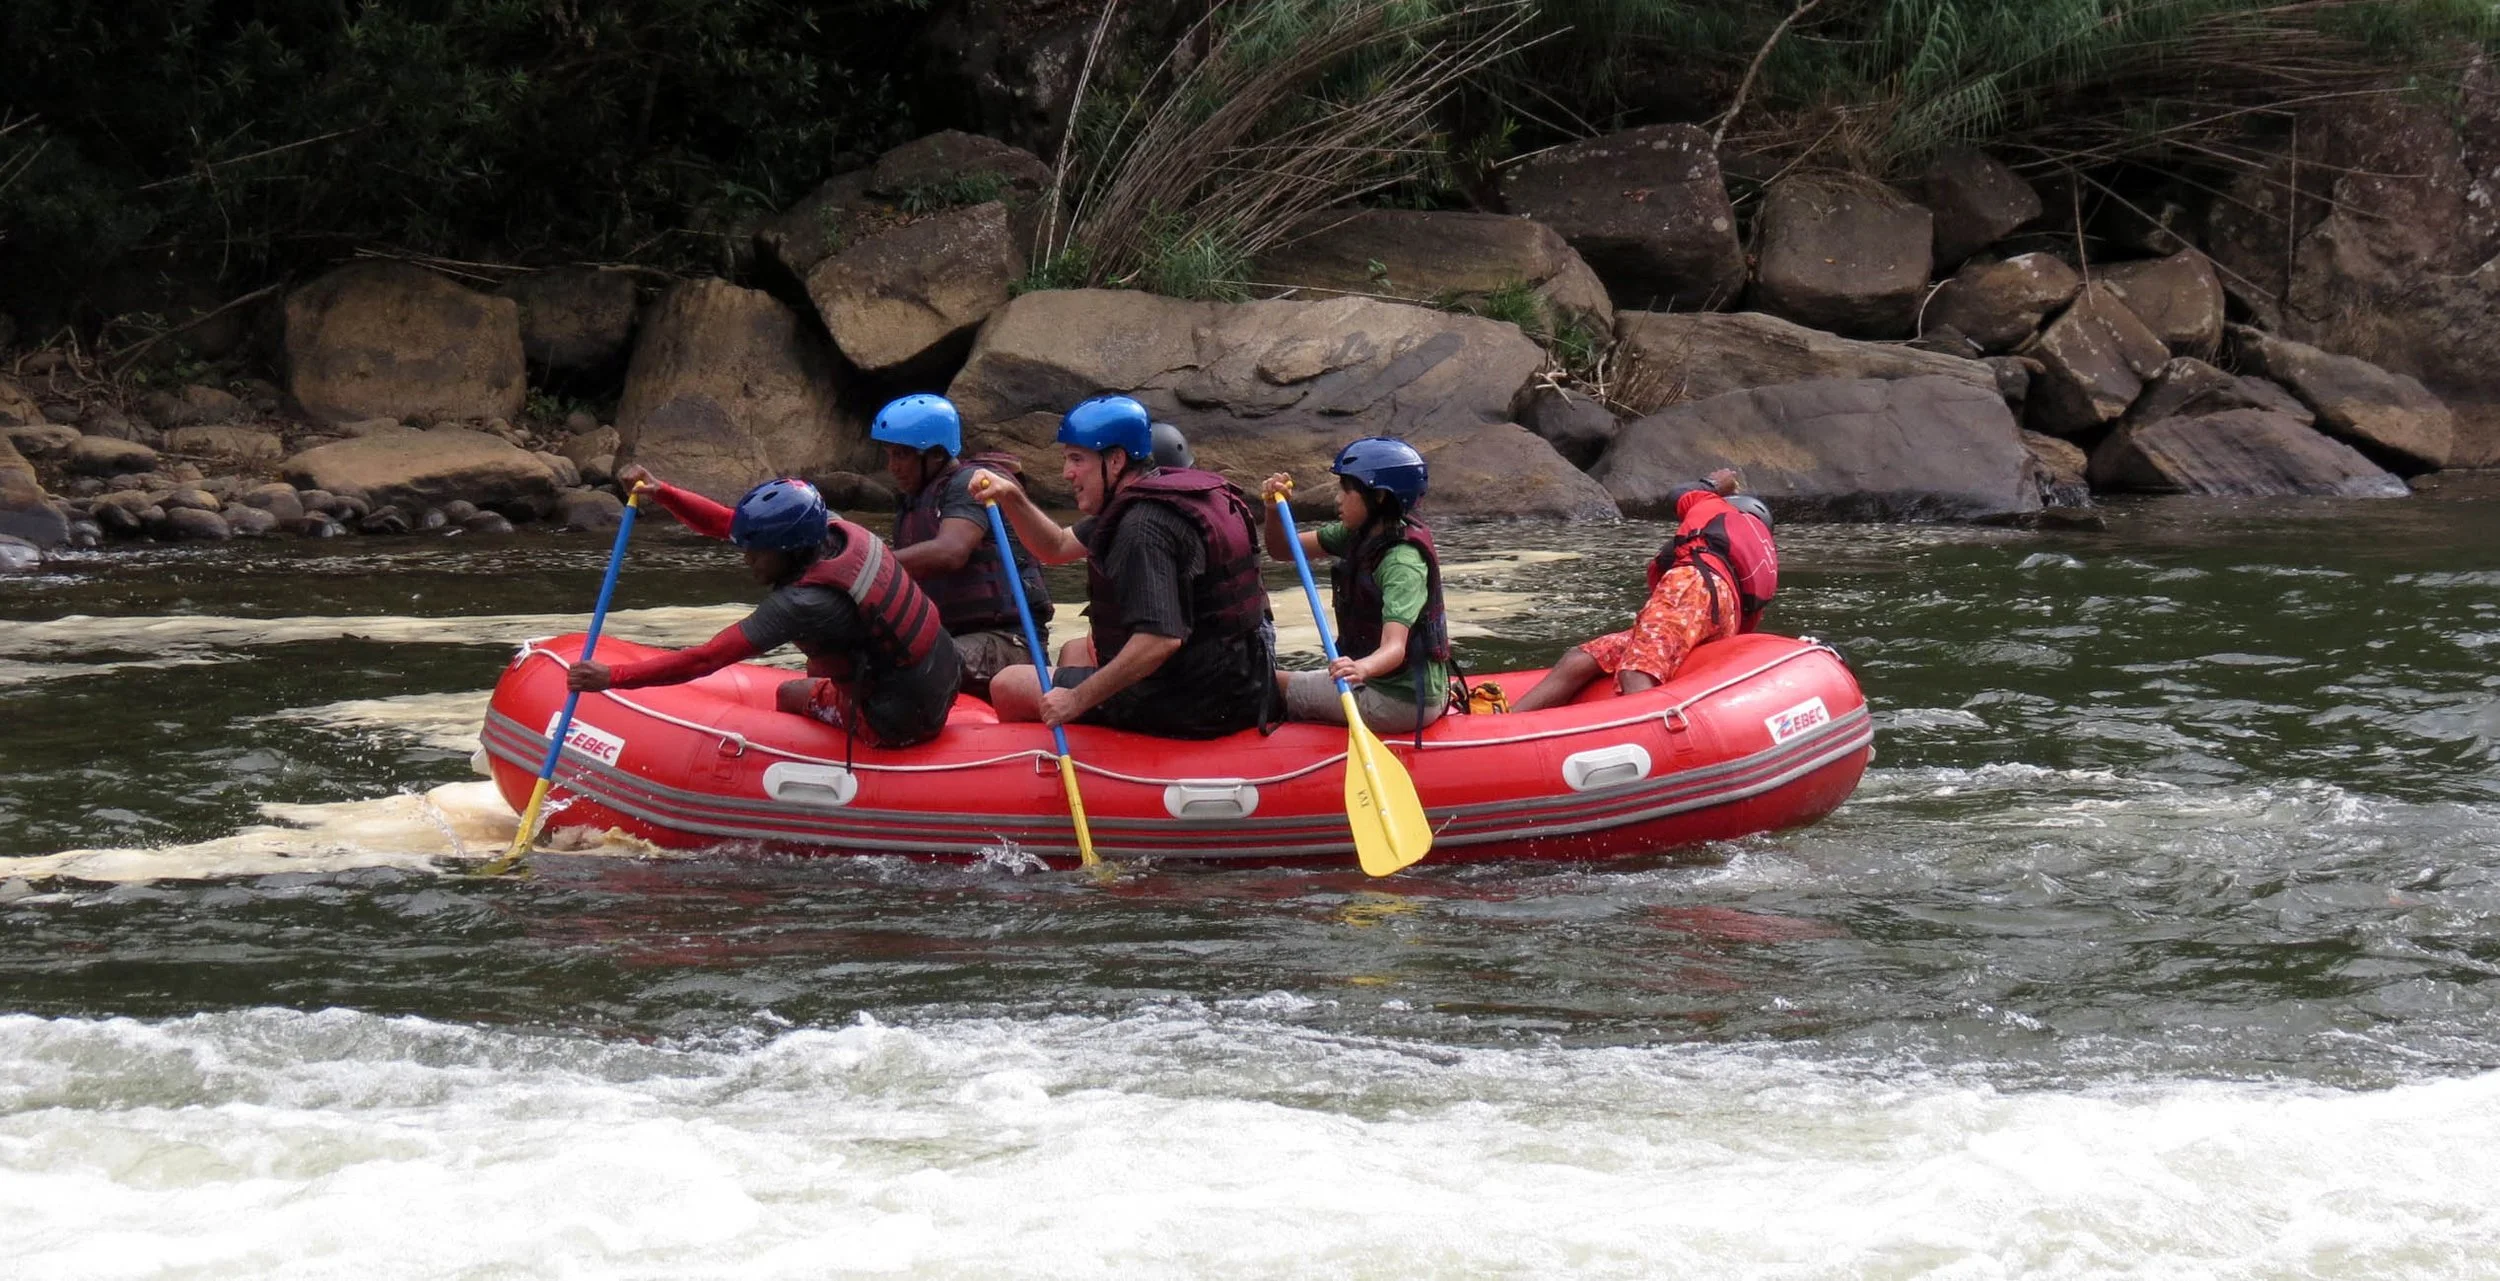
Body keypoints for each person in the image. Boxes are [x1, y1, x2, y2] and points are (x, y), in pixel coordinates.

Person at [567, 466, 960, 747]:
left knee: (789, 692)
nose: (747, 560)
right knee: (821, 664)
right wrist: (663, 492)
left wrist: (611, 677)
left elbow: (706, 659)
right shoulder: (832, 528)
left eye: (757, 553)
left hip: (898, 721)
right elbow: (727, 523)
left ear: (789, 549)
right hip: (942, 675)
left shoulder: (802, 603)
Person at [970, 394, 1274, 739]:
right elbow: (1054, 547)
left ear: (1115, 461)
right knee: (1075, 650)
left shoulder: (1142, 527)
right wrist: (1013, 497)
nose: (1066, 473)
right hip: (1237, 679)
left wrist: (1075, 699)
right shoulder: (1166, 493)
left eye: (1076, 459)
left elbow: (1160, 641)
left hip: (1188, 701)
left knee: (1009, 683)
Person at [1508, 467, 1754, 714]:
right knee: (1583, 657)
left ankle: (1655, 739)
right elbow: (1741, 632)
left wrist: (1713, 482)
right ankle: (1508, 725)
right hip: (1719, 618)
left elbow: (1680, 494)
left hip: (1691, 586)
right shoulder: (1755, 560)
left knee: (1637, 669)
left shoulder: (1716, 509)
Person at [1258, 437, 1449, 736]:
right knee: (1277, 679)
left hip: (1399, 701)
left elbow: (1395, 647)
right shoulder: (1361, 533)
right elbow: (1283, 549)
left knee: (1266, 684)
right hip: (1380, 681)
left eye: (1346, 490)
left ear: (1380, 497)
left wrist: (1362, 669)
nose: (1337, 499)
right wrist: (1271, 509)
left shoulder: (1402, 563)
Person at [870, 393, 1055, 699]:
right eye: (889, 454)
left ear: (936, 455)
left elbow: (951, 552)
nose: (892, 466)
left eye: (901, 455)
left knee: (905, 669)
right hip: (952, 638)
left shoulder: (972, 484)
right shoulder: (913, 506)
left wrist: (871, 563)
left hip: (1010, 644)